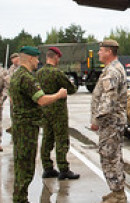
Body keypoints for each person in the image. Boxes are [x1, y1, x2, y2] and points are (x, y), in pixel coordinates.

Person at [8, 45, 69, 203]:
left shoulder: (15, 75)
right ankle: (20, 199)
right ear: (29, 58)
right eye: (36, 58)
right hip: (27, 127)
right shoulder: (27, 77)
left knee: (20, 163)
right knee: (26, 167)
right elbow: (42, 100)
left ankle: (20, 197)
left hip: (20, 124)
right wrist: (59, 94)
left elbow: (13, 99)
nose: (38, 61)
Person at [90, 39, 129, 203]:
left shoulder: (112, 71)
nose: (98, 53)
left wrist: (97, 120)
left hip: (110, 122)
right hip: (113, 122)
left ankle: (119, 194)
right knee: (114, 156)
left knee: (110, 156)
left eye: (101, 50)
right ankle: (117, 191)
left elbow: (108, 100)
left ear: (108, 52)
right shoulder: (112, 68)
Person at [37, 46, 79, 180]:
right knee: (61, 139)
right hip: (58, 111)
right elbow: (71, 89)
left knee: (47, 139)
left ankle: (47, 168)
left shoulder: (39, 73)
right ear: (56, 57)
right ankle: (63, 169)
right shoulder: (57, 73)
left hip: (44, 110)